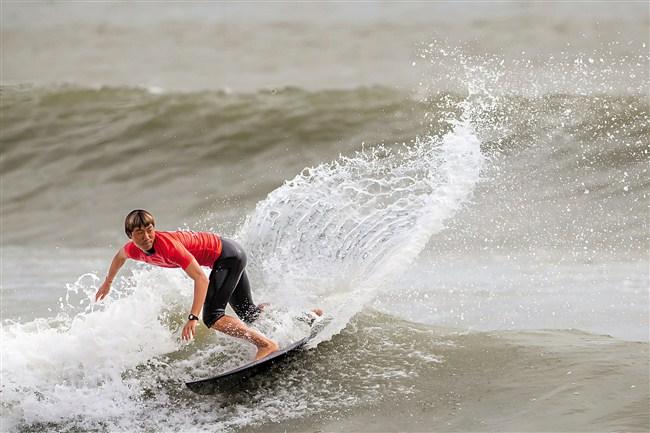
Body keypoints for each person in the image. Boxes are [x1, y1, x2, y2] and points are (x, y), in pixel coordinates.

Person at [95, 209, 281, 360]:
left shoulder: (169, 247)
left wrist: (193, 318)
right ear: (130, 235)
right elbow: (119, 257)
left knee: (213, 317)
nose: (147, 236)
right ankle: (292, 318)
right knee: (249, 313)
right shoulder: (132, 250)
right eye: (139, 232)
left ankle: (266, 345)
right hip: (230, 253)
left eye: (149, 229)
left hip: (228, 257)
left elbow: (201, 278)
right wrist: (107, 283)